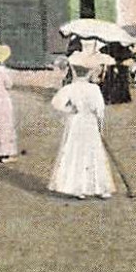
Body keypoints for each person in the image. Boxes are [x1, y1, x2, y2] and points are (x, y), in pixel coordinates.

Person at [47, 53, 115, 200]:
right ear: (90, 72)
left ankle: (78, 189)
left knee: (76, 152)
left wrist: (70, 110)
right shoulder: (94, 89)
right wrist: (100, 127)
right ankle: (101, 188)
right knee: (94, 152)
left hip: (76, 122)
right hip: (90, 122)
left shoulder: (70, 88)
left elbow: (56, 103)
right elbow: (100, 110)